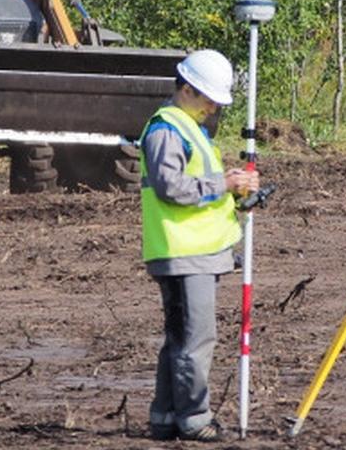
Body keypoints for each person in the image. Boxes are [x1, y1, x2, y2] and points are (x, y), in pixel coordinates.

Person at [140, 49, 258, 442]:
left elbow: (203, 190)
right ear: (187, 89)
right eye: (209, 99)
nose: (214, 108)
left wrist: (235, 192)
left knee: (180, 340)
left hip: (195, 252)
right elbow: (171, 187)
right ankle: (193, 419)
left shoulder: (191, 129)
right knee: (195, 341)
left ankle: (165, 417)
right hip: (183, 252)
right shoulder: (167, 129)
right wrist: (224, 183)